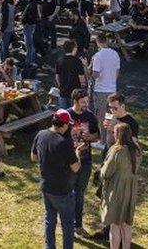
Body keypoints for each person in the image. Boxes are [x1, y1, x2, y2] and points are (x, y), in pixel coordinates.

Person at [32, 109, 85, 249]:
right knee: (67, 224)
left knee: (49, 219)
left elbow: (34, 157)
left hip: (45, 186)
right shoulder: (65, 143)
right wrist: (77, 153)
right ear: (65, 125)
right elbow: (75, 168)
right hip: (62, 190)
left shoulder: (41, 134)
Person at [100, 124, 141, 249]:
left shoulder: (117, 150)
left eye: (114, 132)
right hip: (131, 189)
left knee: (115, 225)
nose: (113, 134)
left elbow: (106, 172)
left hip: (117, 189)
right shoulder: (136, 149)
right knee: (126, 224)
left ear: (119, 135)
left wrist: (101, 174)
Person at [67, 89, 99, 236]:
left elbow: (97, 136)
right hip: (69, 160)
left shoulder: (90, 116)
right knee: (66, 193)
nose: (86, 104)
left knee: (79, 193)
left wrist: (90, 136)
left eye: (87, 101)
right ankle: (66, 223)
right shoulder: (67, 115)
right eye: (83, 102)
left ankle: (77, 225)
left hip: (85, 160)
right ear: (75, 101)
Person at [91, 34, 119, 142]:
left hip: (101, 90)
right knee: (111, 116)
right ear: (106, 41)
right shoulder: (115, 54)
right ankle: (111, 139)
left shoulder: (97, 56)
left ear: (98, 42)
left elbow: (95, 75)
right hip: (112, 89)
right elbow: (117, 73)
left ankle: (102, 140)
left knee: (101, 117)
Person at [55, 41, 85, 110]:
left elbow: (57, 77)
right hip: (75, 93)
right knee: (74, 115)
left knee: (63, 115)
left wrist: (61, 86)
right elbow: (82, 79)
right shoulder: (77, 61)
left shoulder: (59, 60)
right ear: (74, 49)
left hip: (63, 92)